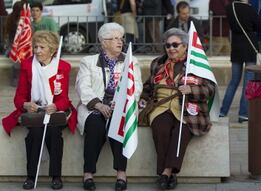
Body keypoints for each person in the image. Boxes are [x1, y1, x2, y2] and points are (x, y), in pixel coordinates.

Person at [140, 28, 215, 190]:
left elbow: (210, 89)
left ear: (186, 46)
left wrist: (192, 90)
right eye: (167, 45)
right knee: (161, 130)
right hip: (160, 106)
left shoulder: (195, 64)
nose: (171, 48)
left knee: (180, 132)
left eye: (175, 44)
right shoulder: (157, 63)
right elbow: (148, 86)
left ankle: (165, 173)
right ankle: (170, 174)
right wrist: (142, 100)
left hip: (188, 108)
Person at [2, 31, 77, 190]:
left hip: (55, 113)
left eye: (42, 47)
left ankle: (56, 176)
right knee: (35, 133)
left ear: (52, 49)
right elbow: (19, 98)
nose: (37, 50)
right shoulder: (27, 65)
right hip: (34, 113)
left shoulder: (62, 67)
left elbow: (64, 98)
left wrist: (56, 106)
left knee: (54, 132)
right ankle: (30, 176)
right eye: (35, 46)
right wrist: (26, 105)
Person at [75, 22, 142, 191]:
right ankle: (88, 174)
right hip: (95, 107)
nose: (120, 42)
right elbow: (82, 87)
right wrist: (98, 105)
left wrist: (121, 104)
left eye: (121, 38)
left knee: (119, 126)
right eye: (114, 39)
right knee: (95, 127)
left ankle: (121, 174)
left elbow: (137, 87)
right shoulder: (88, 61)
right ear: (103, 42)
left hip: (121, 107)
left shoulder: (131, 60)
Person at [220, 0, 261, 123]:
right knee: (248, 82)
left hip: (236, 47)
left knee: (234, 81)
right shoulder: (251, 9)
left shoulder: (229, 8)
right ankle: (243, 114)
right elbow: (258, 26)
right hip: (250, 47)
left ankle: (223, 111)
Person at [3, 1, 23, 86]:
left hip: (22, 46)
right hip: (12, 47)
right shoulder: (11, 19)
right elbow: (8, 38)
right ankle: (15, 78)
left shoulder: (25, 19)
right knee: (18, 57)